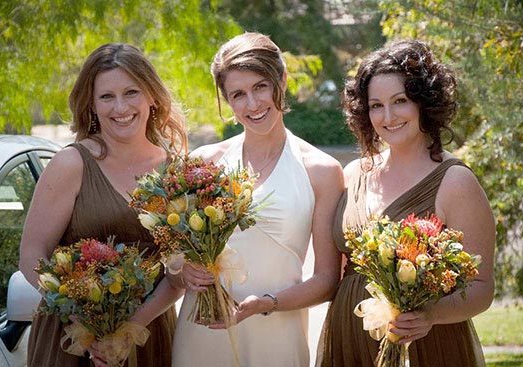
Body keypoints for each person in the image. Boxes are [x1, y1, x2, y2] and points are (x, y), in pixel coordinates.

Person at [167, 32, 345, 367]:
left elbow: (326, 280)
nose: (252, 104)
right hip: (203, 331)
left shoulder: (322, 171)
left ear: (283, 80)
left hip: (277, 335)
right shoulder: (204, 163)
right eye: (238, 94)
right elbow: (174, 263)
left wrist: (267, 303)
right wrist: (182, 272)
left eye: (260, 87)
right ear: (226, 101)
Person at [316, 39, 495, 367]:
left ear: (424, 102)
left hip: (426, 346)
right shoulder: (355, 172)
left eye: (400, 101)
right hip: (349, 338)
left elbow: (482, 287)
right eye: (376, 105)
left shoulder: (455, 182)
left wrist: (429, 315)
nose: (388, 116)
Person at [19, 43, 187, 367]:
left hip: (148, 334)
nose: (120, 107)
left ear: (152, 96)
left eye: (131, 92)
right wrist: (88, 324)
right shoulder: (71, 164)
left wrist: (128, 329)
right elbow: (32, 254)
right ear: (92, 105)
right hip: (72, 340)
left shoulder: (174, 170)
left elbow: (177, 273)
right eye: (106, 97)